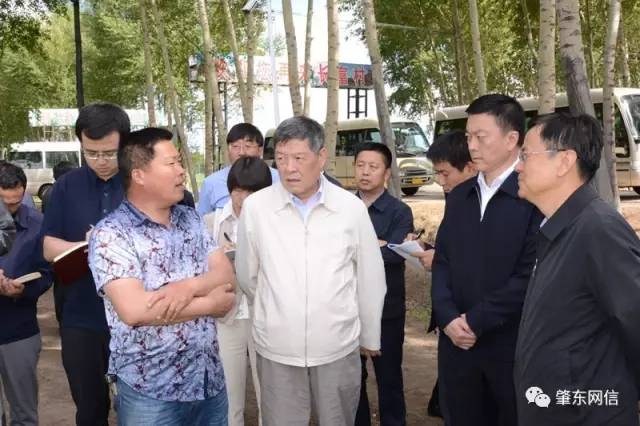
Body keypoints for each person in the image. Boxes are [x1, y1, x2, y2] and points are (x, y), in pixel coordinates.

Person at [235, 116, 386, 426]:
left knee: (337, 419)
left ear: (321, 157)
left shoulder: (349, 208)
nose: (289, 168)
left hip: (337, 345)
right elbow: (248, 275)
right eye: (281, 158)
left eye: (299, 158)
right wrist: (274, 312)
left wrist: (369, 335)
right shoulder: (257, 208)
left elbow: (369, 276)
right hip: (277, 346)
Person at [88, 127, 236, 425]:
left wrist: (187, 287)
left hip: (208, 382)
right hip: (150, 392)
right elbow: (135, 310)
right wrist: (210, 304)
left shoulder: (190, 219)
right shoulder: (112, 233)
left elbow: (225, 273)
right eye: (171, 163)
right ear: (139, 175)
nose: (181, 171)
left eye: (179, 162)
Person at [514, 113, 640, 425]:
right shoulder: (559, 226)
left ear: (564, 162)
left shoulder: (598, 230)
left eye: (526, 155)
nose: (518, 166)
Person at [431, 94, 543, 426]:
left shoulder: (532, 197)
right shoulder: (460, 196)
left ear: (511, 139)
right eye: (469, 136)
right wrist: (447, 316)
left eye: (481, 137)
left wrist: (476, 320)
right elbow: (443, 261)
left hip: (509, 346)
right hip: (456, 344)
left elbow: (530, 274)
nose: (471, 146)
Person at [41, 102, 130, 425]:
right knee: (90, 410)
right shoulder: (67, 187)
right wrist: (88, 245)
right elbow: (48, 246)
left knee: (139, 409)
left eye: (109, 153)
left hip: (136, 319)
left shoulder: (142, 182)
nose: (100, 161)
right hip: (81, 316)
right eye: (91, 153)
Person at [203, 156, 272, 426]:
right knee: (229, 395)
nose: (243, 199)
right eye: (238, 190)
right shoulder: (211, 223)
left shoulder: (275, 222)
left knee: (269, 392)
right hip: (226, 315)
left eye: (252, 192)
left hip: (264, 314)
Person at [353, 143, 413, 426]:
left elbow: (396, 253)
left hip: (386, 310)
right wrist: (378, 244)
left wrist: (361, 248)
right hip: (347, 308)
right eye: (360, 165)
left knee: (389, 377)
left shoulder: (399, 211)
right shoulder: (343, 208)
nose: (365, 172)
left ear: (386, 173)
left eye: (373, 167)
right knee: (353, 380)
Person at [0, 161, 52, 426]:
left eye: (16, 202)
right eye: (4, 204)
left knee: (24, 414)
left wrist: (22, 290)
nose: (11, 210)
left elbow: (47, 273)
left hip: (18, 331)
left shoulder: (37, 224)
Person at [411, 130, 477, 271]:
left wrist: (440, 261)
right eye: (437, 173)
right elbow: (450, 248)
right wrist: (424, 248)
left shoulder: (487, 206)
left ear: (470, 168)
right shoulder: (454, 199)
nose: (440, 182)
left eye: (445, 174)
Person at [198, 123, 279, 215]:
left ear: (260, 150)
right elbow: (201, 220)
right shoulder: (211, 183)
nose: (241, 152)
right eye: (235, 146)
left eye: (248, 146)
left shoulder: (279, 179)